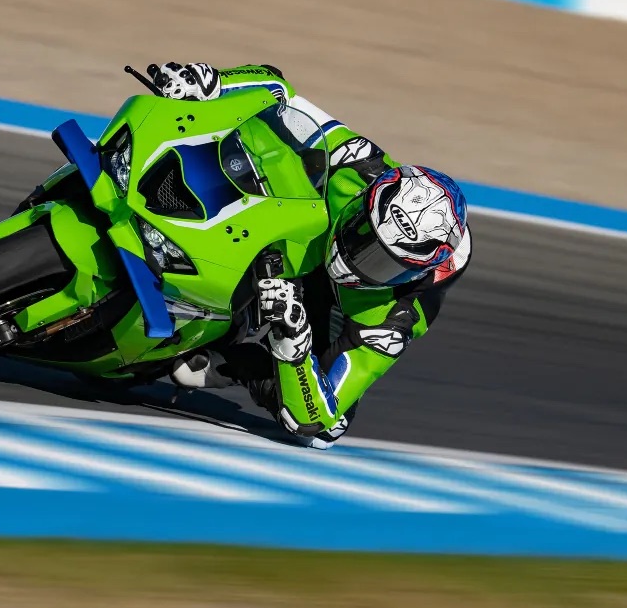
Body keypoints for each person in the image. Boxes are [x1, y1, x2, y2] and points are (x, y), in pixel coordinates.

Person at [152, 62, 472, 449]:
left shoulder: (395, 317)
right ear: (367, 198)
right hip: (298, 227)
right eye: (363, 234)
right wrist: (213, 83)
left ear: (412, 274)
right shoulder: (361, 165)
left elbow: (320, 416)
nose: (357, 258)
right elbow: (280, 92)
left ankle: (241, 362)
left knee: (323, 432)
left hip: (329, 302)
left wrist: (295, 339)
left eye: (384, 263)